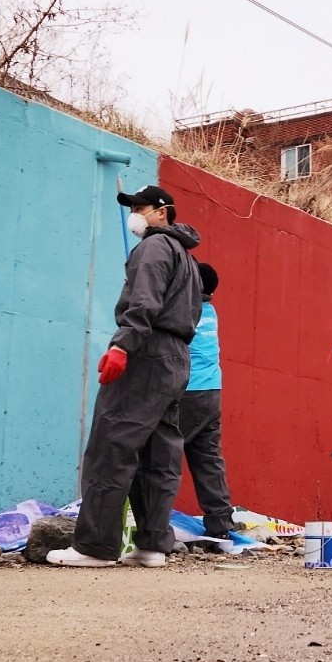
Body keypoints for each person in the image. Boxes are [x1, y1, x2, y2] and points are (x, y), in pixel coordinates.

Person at [48, 185, 203, 568]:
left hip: (146, 352)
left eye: (140, 207)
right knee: (158, 454)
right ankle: (152, 546)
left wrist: (122, 345)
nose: (134, 213)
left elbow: (144, 302)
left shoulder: (153, 248)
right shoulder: (187, 258)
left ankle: (94, 547)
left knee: (111, 444)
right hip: (176, 357)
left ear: (163, 211)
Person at [179, 263, 236, 541]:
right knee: (208, 459)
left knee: (159, 457)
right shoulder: (211, 312)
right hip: (212, 393)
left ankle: (148, 524)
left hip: (187, 392)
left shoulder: (186, 312)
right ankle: (221, 523)